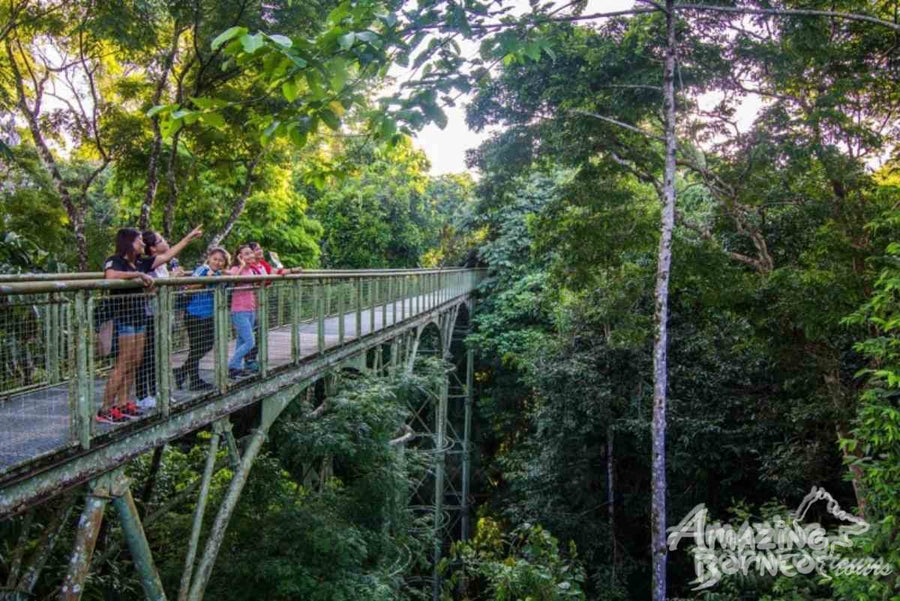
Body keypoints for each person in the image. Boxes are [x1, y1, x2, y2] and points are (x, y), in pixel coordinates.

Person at [134, 227, 203, 409]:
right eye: (160, 240)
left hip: (163, 314)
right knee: (147, 356)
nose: (165, 241)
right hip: (149, 315)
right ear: (153, 248)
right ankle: (143, 395)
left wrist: (174, 279)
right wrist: (188, 238)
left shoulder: (163, 265)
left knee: (161, 355)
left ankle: (159, 392)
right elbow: (148, 290)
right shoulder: (147, 263)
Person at [98, 228, 155, 424]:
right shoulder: (115, 260)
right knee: (123, 363)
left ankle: (123, 403)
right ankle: (105, 408)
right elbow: (111, 277)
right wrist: (138, 274)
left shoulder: (137, 262)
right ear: (129, 241)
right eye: (139, 239)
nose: (143, 243)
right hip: (124, 317)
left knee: (134, 361)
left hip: (139, 316)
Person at [173, 247, 229, 391]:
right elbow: (189, 286)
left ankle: (183, 371)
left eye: (221, 260)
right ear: (209, 258)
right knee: (197, 347)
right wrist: (206, 279)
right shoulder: (202, 270)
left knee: (206, 345)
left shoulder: (217, 273)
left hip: (208, 314)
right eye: (215, 259)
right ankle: (193, 380)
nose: (217, 262)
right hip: (195, 314)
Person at [244, 241, 302, 371]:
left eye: (260, 248)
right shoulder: (248, 266)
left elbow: (275, 271)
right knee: (251, 333)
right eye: (257, 249)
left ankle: (252, 359)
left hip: (260, 302)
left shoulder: (262, 264)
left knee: (258, 332)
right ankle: (247, 361)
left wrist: (292, 270)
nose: (260, 251)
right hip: (251, 303)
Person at [227, 244, 265, 378]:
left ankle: (236, 369)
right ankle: (231, 365)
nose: (250, 256)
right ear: (240, 257)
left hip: (251, 309)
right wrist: (242, 265)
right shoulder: (236, 269)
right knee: (250, 342)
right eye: (246, 253)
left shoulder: (252, 271)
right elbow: (231, 281)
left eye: (251, 253)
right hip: (239, 310)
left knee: (241, 340)